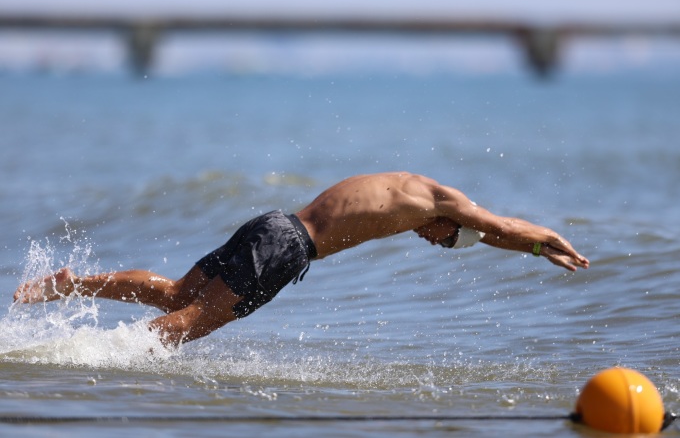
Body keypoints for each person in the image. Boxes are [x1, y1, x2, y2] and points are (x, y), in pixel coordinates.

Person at [14, 172, 589, 347]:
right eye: (444, 240)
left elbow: (485, 232)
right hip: (290, 249)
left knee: (175, 295)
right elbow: (500, 229)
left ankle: (73, 285)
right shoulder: (445, 204)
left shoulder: (404, 184)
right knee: (191, 326)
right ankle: (105, 353)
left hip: (272, 223)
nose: (430, 242)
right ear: (451, 223)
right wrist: (545, 244)